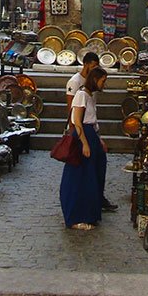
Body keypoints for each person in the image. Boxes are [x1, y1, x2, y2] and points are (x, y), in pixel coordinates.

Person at [64, 52, 117, 211]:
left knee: (96, 170)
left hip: (91, 132)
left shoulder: (90, 92)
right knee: (83, 172)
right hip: (82, 133)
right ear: (87, 64)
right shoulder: (76, 85)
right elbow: (74, 113)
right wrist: (78, 137)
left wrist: (97, 137)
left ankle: (97, 199)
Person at [60, 66, 110, 230]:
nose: (104, 85)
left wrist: (99, 139)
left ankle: (89, 213)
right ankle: (76, 216)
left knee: (92, 176)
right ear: (96, 79)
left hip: (91, 136)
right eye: (103, 81)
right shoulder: (81, 95)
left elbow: (92, 121)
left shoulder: (90, 96)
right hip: (84, 137)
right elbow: (77, 121)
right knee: (80, 177)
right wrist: (85, 143)